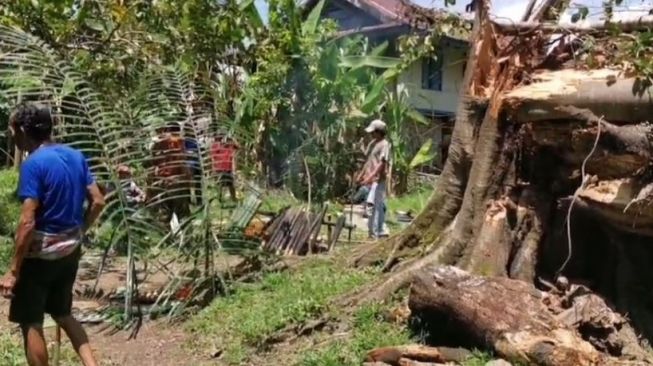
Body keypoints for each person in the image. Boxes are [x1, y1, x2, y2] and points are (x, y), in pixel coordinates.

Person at [0, 103, 105, 366]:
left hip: (41, 255)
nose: (12, 134)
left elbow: (27, 222)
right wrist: (80, 229)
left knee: (31, 321)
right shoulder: (75, 155)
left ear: (23, 130)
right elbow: (98, 201)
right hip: (70, 249)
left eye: (13, 129)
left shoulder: (33, 164)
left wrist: (13, 270)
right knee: (63, 313)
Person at [357, 119, 391, 239]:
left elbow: (381, 163)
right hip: (371, 180)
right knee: (374, 206)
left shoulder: (385, 144)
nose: (371, 134)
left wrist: (370, 177)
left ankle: (375, 233)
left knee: (374, 207)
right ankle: (375, 232)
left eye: (373, 132)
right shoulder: (373, 144)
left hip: (377, 180)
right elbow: (369, 161)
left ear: (379, 132)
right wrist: (361, 175)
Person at [151, 123, 191, 220]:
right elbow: (182, 159)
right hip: (176, 179)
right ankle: (186, 233)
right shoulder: (177, 140)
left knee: (165, 213)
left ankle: (170, 233)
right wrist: (187, 176)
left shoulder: (154, 144)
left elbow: (153, 163)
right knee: (182, 212)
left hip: (161, 180)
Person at [210, 133, 239, 202]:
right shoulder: (216, 146)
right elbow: (212, 156)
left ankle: (233, 199)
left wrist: (233, 139)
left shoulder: (230, 146)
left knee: (231, 185)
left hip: (228, 168)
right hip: (219, 168)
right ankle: (219, 199)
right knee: (220, 185)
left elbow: (238, 147)